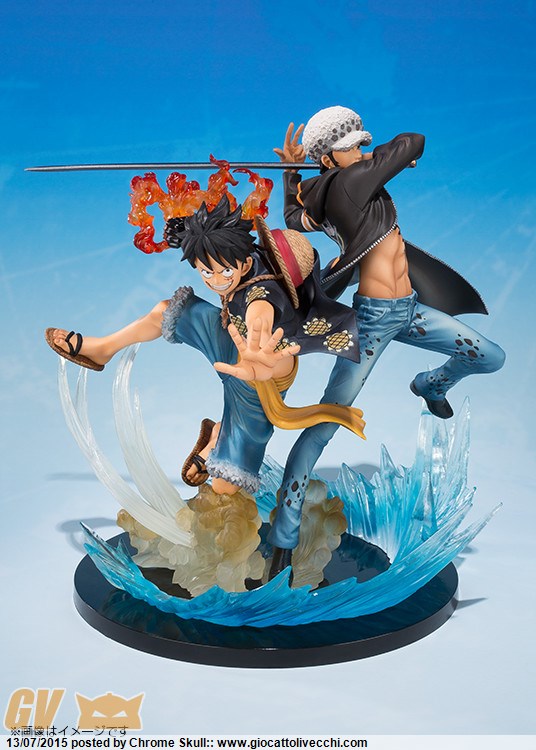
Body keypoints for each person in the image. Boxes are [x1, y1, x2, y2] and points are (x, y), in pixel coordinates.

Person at [267, 106, 505, 576]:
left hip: (410, 312)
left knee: (487, 356)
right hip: (373, 323)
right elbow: (413, 141)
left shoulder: (329, 189)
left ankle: (431, 384)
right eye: (351, 147)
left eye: (362, 144)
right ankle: (283, 537)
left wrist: (292, 173)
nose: (361, 152)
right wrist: (384, 158)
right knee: (325, 423)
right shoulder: (353, 181)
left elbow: (294, 217)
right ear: (330, 160)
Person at [46, 195, 365, 498]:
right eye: (205, 272)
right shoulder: (241, 252)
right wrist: (185, 225)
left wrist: (256, 343)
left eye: (224, 272)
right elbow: (205, 235)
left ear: (245, 266)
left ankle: (217, 436)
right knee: (165, 312)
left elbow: (259, 313)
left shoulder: (265, 293)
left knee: (227, 484)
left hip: (258, 378)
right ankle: (101, 349)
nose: (216, 281)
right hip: (230, 339)